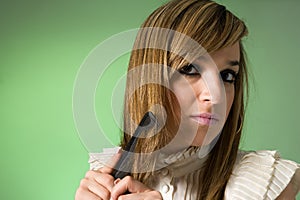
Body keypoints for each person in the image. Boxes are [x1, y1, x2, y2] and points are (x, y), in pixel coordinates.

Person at [75, 0, 300, 199]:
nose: (215, 96)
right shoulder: (104, 178)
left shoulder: (261, 186)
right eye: (190, 69)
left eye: (227, 76)